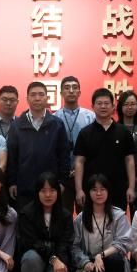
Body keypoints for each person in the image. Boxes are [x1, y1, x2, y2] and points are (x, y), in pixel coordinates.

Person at [6, 81, 71, 212]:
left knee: (50, 220)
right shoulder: (17, 125)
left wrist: (63, 182)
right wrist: (12, 182)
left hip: (50, 187)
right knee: (25, 220)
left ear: (47, 98)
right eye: (33, 95)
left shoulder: (57, 124)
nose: (37, 98)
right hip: (24, 186)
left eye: (41, 95)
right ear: (27, 99)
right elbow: (12, 156)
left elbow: (64, 155)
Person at [16, 172, 74, 272]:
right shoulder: (26, 213)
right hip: (37, 259)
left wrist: (62, 267)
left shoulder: (65, 215)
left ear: (58, 192)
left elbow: (64, 244)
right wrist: (54, 259)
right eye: (43, 191)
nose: (48, 195)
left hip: (56, 259)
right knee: (30, 257)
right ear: (37, 192)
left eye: (52, 190)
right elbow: (31, 242)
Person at [73, 174, 133, 272]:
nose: (98, 193)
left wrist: (101, 256)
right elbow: (75, 247)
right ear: (88, 192)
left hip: (112, 259)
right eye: (94, 190)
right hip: (91, 262)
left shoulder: (118, 215)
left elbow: (125, 242)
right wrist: (86, 262)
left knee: (115, 259)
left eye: (102, 189)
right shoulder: (81, 218)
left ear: (108, 191)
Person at [73, 88, 136, 210]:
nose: (103, 106)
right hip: (91, 189)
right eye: (99, 103)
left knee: (116, 220)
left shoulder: (123, 131)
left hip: (118, 189)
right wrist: (79, 189)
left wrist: (131, 187)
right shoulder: (85, 133)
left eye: (106, 103)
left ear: (113, 106)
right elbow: (79, 162)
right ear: (93, 106)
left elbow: (129, 160)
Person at [56, 76, 96, 212]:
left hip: (86, 175)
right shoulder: (54, 118)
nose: (71, 91)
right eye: (67, 88)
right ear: (61, 93)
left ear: (79, 92)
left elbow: (94, 147)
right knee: (63, 215)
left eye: (74, 87)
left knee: (85, 215)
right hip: (63, 177)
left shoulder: (91, 117)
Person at [116, 90, 137, 207]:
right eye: (126, 104)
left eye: (133, 104)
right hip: (119, 179)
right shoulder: (115, 128)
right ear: (120, 107)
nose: (130, 107)